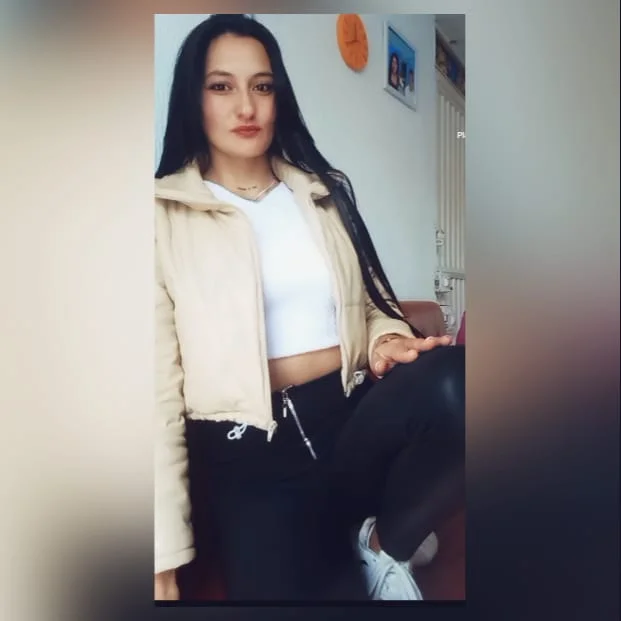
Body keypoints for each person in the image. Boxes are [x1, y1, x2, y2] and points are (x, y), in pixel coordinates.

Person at [154, 14, 465, 602]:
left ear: (279, 96)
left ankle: (384, 546)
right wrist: (160, 555)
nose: (246, 106)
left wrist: (384, 339)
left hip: (348, 415)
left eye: (262, 85)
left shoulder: (322, 192)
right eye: (221, 86)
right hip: (249, 451)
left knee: (460, 382)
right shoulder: (160, 216)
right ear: (193, 97)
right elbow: (157, 393)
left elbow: (373, 304)